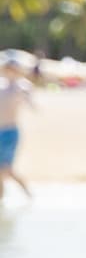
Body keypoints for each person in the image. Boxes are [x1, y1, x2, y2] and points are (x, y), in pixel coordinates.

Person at [0, 60, 35, 202]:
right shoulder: (1, 85)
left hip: (10, 132)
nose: (10, 72)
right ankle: (1, 198)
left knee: (6, 169)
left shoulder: (22, 86)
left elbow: (30, 102)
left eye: (13, 69)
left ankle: (27, 193)